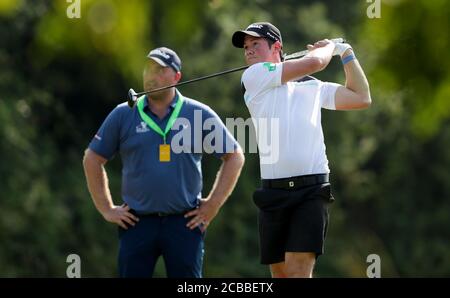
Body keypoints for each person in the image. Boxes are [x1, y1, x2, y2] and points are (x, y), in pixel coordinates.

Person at [82, 47, 245, 278]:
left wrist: (212, 205)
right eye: (148, 69)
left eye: (160, 70)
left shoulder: (197, 112)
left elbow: (234, 156)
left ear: (176, 76)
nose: (151, 75)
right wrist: (107, 209)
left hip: (185, 223)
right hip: (136, 223)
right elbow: (92, 158)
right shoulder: (124, 114)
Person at [232, 22, 371, 277]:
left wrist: (346, 52)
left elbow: (361, 97)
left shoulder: (313, 86)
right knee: (281, 274)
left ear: (277, 47)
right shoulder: (254, 76)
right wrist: (330, 48)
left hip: (311, 190)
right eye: (246, 47)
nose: (248, 51)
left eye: (255, 44)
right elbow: (316, 62)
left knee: (298, 271)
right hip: (273, 192)